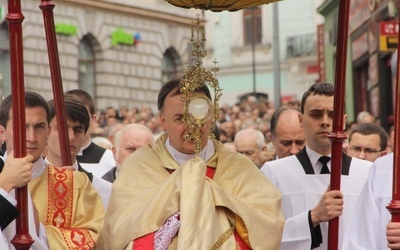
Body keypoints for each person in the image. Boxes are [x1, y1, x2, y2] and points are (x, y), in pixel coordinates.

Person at [100, 78, 284, 249]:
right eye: (180, 118)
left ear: (211, 117)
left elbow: (266, 227)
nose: (192, 126)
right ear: (163, 121)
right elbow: (120, 231)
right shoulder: (138, 167)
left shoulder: (239, 167)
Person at [260, 82, 372, 249]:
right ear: (301, 119)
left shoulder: (367, 173)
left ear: (343, 120)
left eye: (333, 115)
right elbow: (261, 235)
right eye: (316, 114)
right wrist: (313, 217)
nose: (325, 122)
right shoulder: (273, 173)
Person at [0, 91, 104, 249]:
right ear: (2, 132)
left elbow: (97, 236)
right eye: (22, 127)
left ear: (48, 131)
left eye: (39, 127)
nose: (32, 137)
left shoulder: (75, 183)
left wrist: (39, 231)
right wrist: (4, 186)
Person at [47, 96, 112, 208]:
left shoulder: (104, 190)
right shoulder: (27, 185)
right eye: (62, 129)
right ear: (46, 130)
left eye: (78, 130)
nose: (71, 137)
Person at [66, 89, 115, 177]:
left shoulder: (109, 159)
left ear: (93, 119)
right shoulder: (48, 160)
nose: (75, 122)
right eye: (69, 117)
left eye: (82, 117)